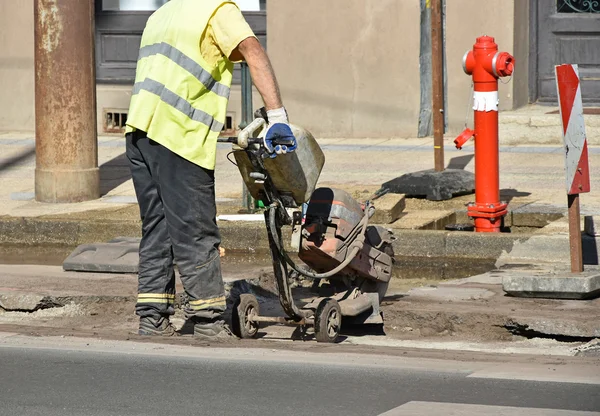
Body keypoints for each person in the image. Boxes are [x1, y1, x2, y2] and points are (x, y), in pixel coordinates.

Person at [125, 0, 295, 339]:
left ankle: (152, 319)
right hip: (177, 135)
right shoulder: (216, 10)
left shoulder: (162, 13)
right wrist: (277, 116)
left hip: (139, 133)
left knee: (157, 228)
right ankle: (209, 323)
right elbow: (251, 50)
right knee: (195, 230)